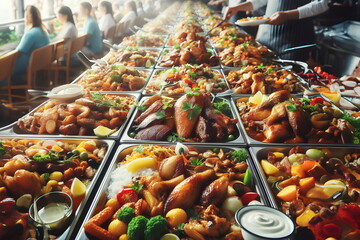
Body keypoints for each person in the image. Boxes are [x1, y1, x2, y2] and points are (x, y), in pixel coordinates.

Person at [224, 0, 329, 61]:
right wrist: (237, 8)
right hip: (266, 35)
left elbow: (323, 4)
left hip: (293, 38)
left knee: (287, 82)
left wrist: (288, 15)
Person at [12, 5, 50, 84]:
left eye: (25, 15)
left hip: (29, 63)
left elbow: (18, 52)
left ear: (30, 17)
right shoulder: (43, 31)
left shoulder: (30, 34)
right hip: (39, 62)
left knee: (3, 68)